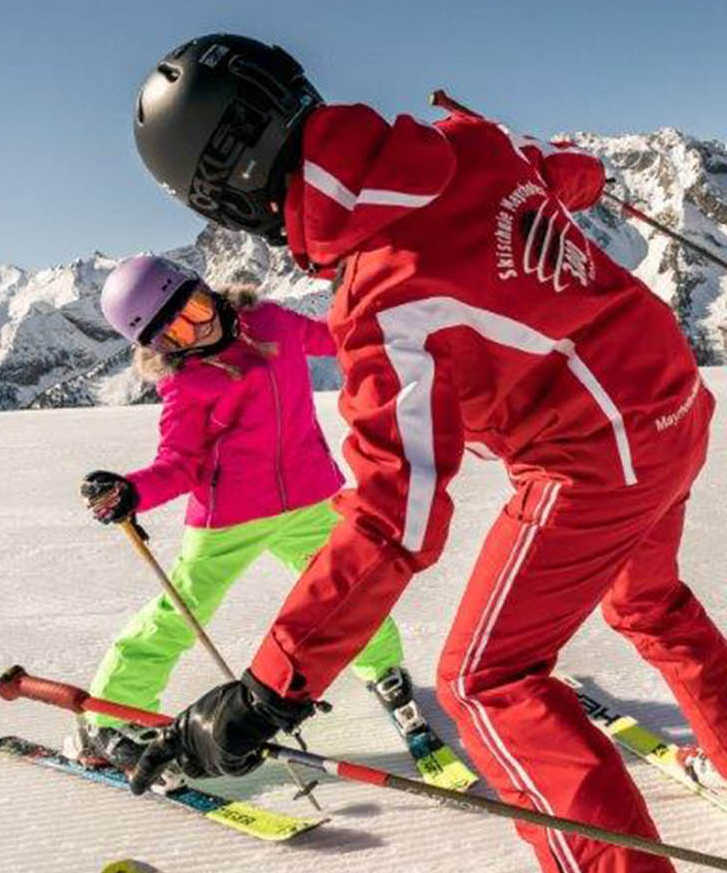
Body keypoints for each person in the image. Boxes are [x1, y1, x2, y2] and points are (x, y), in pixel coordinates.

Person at [121, 34, 727, 873]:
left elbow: (393, 519)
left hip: (597, 456)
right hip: (674, 404)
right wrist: (577, 179)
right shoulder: (456, 138)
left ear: (224, 192)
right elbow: (558, 172)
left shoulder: (380, 295)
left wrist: (272, 688)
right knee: (647, 601)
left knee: (486, 679)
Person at [74, 253, 466, 789]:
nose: (199, 327)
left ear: (205, 288)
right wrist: (133, 490)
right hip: (228, 519)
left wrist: (386, 314)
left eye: (193, 307)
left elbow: (338, 339)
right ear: (158, 350)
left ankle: (384, 674)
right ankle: (110, 716)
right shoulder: (186, 385)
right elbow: (180, 463)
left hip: (312, 499)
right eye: (174, 335)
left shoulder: (271, 323)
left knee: (353, 591)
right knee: (181, 611)